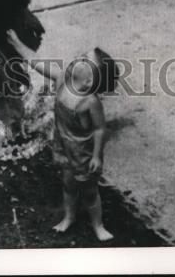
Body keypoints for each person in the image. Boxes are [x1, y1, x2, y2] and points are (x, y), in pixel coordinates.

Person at [7, 30, 118, 241]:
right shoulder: (61, 80)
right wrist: (17, 43)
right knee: (68, 184)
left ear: (88, 81)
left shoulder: (90, 102)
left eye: (85, 60)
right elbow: (36, 62)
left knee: (89, 191)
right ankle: (69, 217)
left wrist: (96, 156)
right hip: (64, 146)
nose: (79, 57)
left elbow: (100, 129)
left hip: (83, 154)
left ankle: (98, 225)